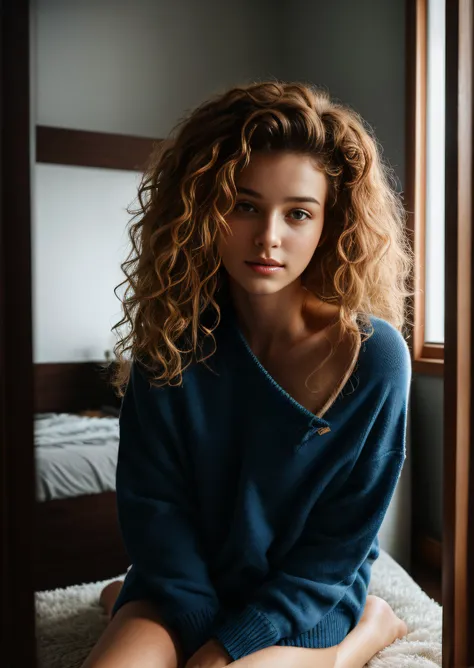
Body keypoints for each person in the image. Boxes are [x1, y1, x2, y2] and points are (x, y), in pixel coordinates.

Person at [81, 80, 414, 668]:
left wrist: (228, 648)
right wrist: (192, 629)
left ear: (329, 224)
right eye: (244, 205)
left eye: (298, 214)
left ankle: (366, 633)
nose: (268, 237)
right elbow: (153, 509)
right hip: (182, 589)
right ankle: (120, 601)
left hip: (303, 599)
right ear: (204, 207)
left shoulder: (375, 357)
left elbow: (336, 546)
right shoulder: (168, 346)